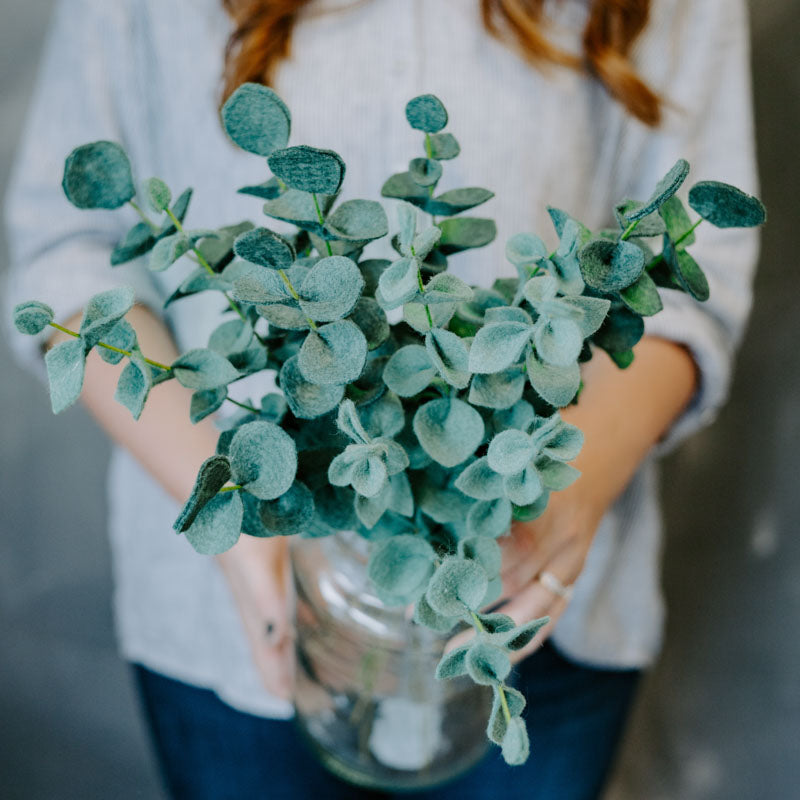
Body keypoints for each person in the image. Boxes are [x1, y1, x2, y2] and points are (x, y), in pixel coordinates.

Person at [4, 0, 759, 797]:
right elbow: (68, 261)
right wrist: (242, 513)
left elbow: (695, 281)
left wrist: (562, 499)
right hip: (231, 616)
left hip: (527, 609)